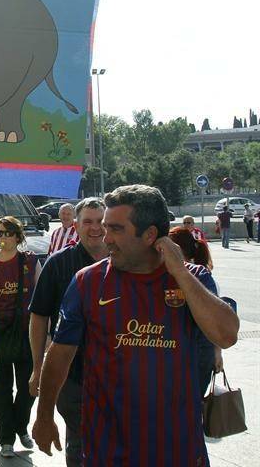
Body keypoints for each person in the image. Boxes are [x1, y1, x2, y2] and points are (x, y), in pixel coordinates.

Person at [33, 185, 239, 466]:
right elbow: (59, 355)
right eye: (106, 228)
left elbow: (226, 335)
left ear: (150, 235)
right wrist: (44, 416)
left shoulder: (194, 278)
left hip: (177, 450)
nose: (105, 238)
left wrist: (179, 271)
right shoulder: (87, 281)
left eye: (116, 229)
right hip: (108, 451)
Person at [28, 197, 109, 466]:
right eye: (88, 222)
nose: (95, 228)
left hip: (116, 376)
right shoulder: (58, 264)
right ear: (75, 226)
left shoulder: (124, 261)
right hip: (72, 376)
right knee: (81, 443)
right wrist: (37, 367)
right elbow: (39, 317)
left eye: (101, 221)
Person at [0, 216, 41, 458]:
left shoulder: (30, 261)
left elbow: (42, 300)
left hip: (26, 332)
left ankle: (21, 426)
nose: (4, 237)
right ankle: (6, 440)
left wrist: (47, 333)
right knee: (2, 388)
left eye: (8, 233)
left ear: (18, 236)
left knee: (29, 387)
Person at [168, 226, 223, 398]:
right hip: (184, 352)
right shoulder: (167, 275)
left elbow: (216, 320)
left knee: (189, 404)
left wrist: (217, 351)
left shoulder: (201, 276)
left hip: (198, 352)